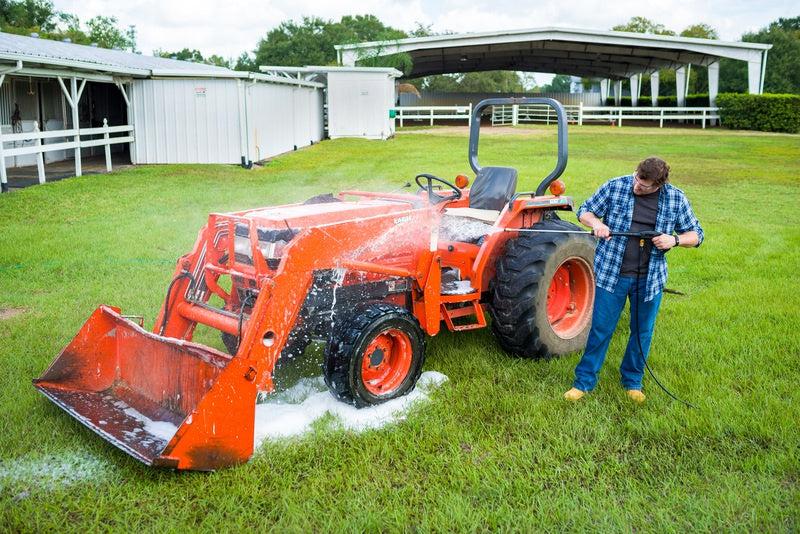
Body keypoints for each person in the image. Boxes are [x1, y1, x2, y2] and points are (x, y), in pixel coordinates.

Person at [564, 157, 704, 403]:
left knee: (642, 332)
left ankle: (632, 381)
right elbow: (584, 211)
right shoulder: (616, 185)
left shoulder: (675, 198)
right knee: (600, 329)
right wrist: (597, 224)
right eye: (637, 177)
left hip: (649, 280)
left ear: (659, 185)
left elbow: (696, 234)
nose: (637, 185)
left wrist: (674, 240)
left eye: (644, 184)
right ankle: (584, 382)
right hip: (611, 274)